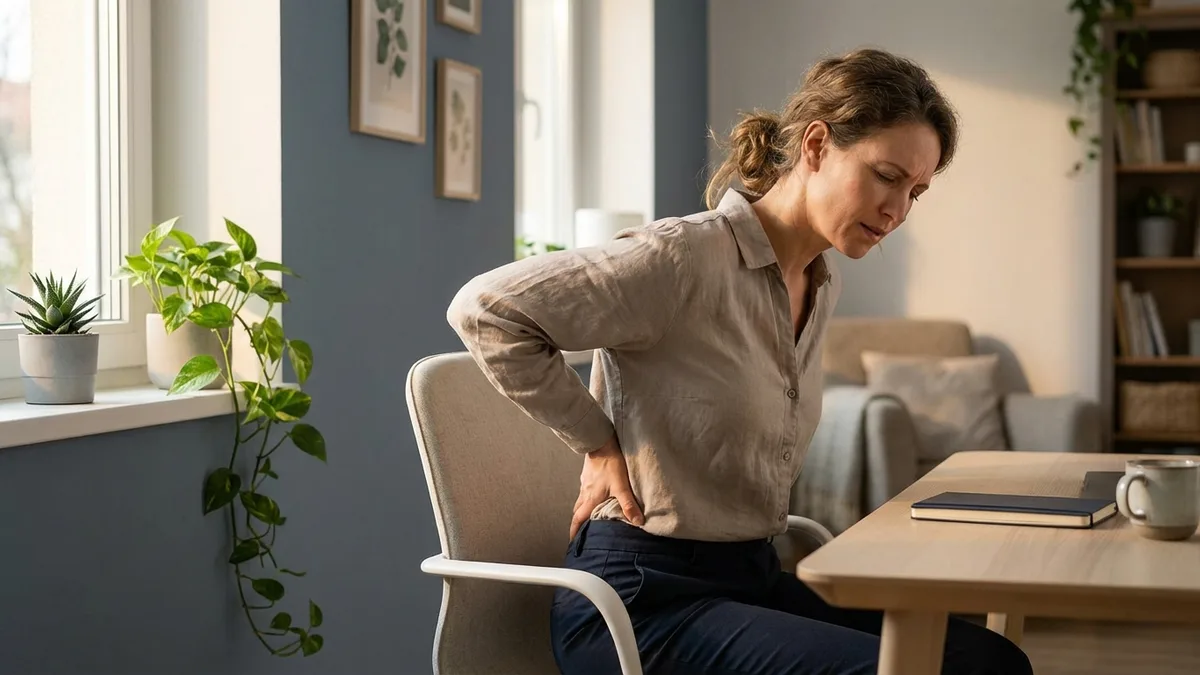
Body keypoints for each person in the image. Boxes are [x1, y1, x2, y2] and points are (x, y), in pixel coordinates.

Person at [447, 47, 1032, 675]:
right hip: (640, 602)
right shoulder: (682, 257)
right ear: (816, 146)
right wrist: (597, 440)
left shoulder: (821, 281)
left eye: (915, 192)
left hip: (749, 580)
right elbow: (486, 309)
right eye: (886, 176)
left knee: (989, 661)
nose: (898, 211)